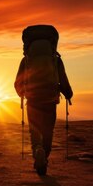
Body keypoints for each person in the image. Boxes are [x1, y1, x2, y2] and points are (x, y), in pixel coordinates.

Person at [14, 27, 73, 176]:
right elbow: (63, 80)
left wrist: (22, 93)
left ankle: (37, 150)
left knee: (34, 130)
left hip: (33, 100)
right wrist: (68, 94)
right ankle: (44, 155)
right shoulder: (55, 59)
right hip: (50, 99)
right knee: (48, 130)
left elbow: (18, 82)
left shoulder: (26, 60)